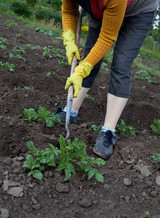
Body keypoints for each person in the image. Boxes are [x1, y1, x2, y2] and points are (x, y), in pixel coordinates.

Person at [55, 0, 159, 160]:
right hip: (102, 9)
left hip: (138, 10)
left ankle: (108, 131)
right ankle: (71, 111)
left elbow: (107, 37)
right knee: (90, 53)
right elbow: (69, 10)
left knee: (121, 64)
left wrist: (82, 69)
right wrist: (68, 39)